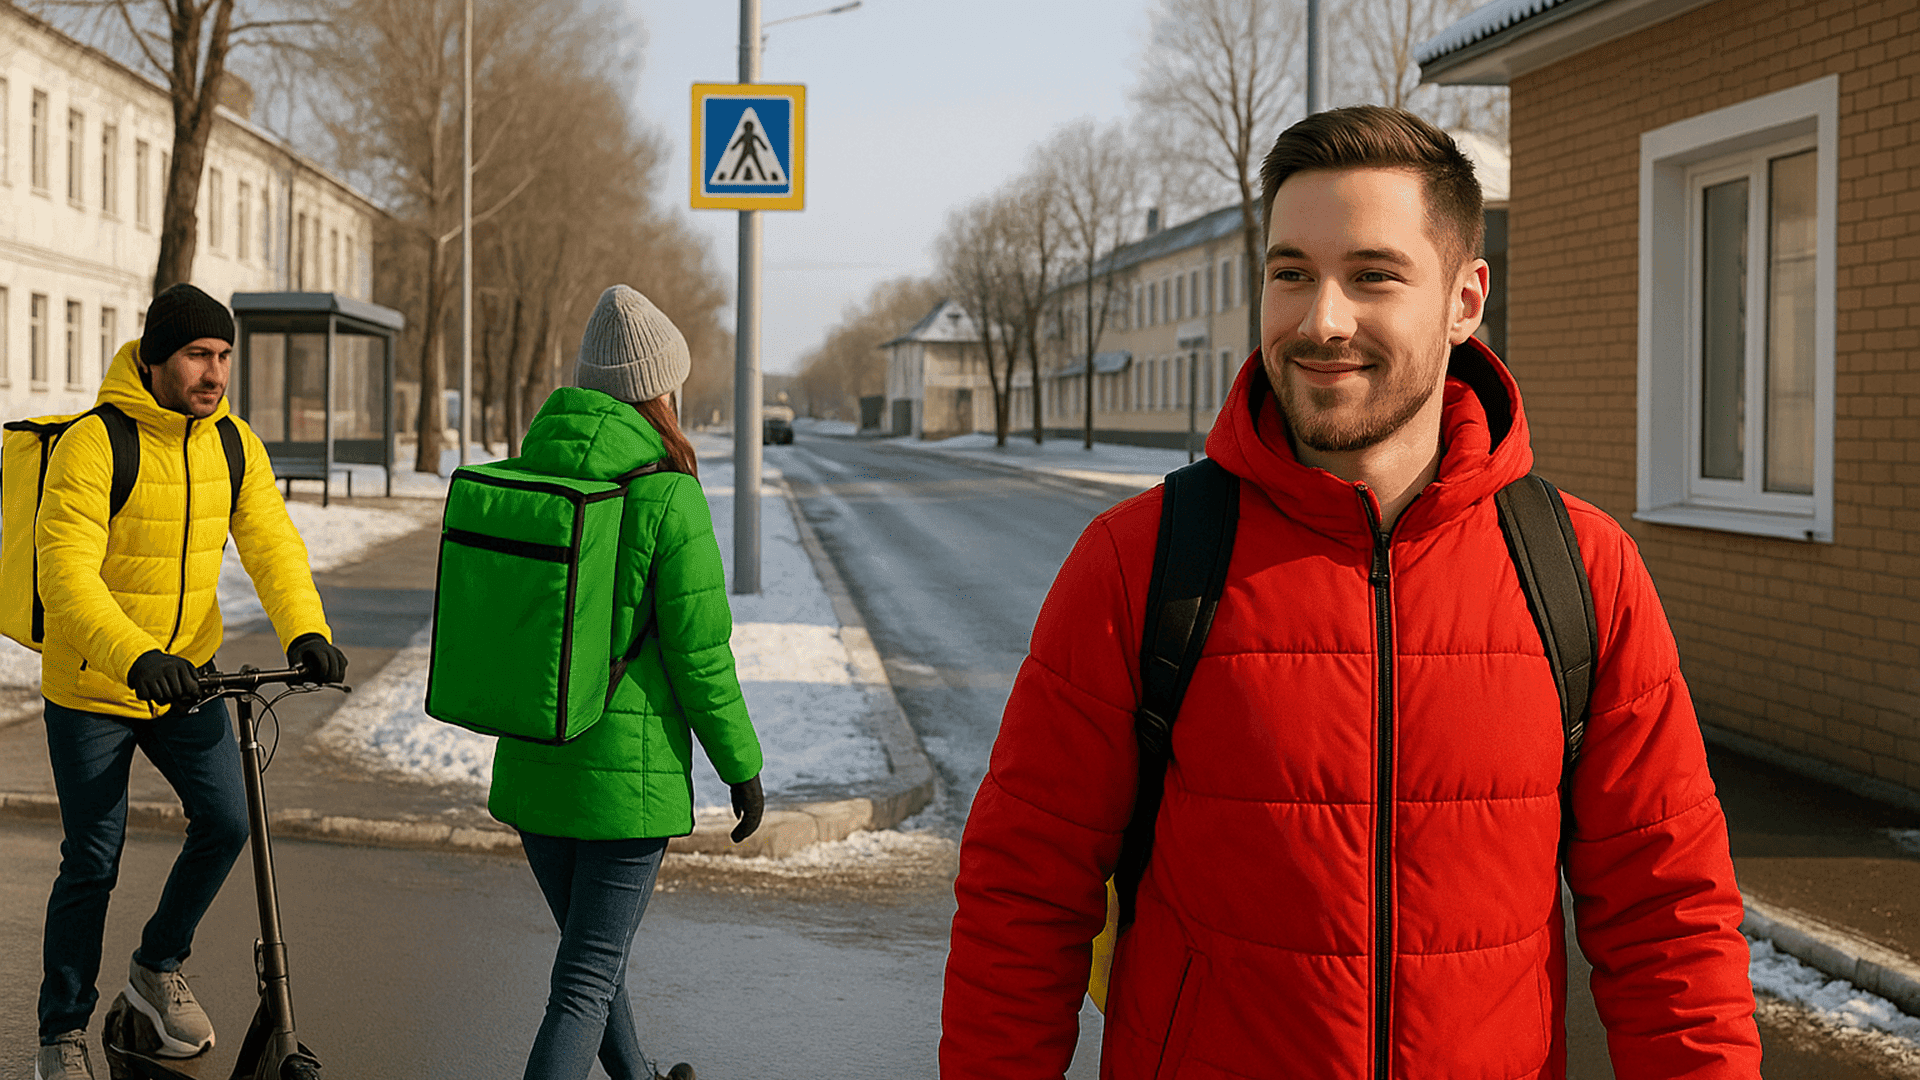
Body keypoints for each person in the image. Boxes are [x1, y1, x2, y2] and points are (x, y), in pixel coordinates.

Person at [941, 107, 1762, 1079]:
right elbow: (1021, 905)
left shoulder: (1580, 571)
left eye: (1372, 274)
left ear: (1465, 301)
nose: (1322, 317)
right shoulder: (1141, 562)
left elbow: (1669, 921)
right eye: (1292, 273)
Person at [34, 283, 348, 1080]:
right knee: (94, 858)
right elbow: (64, 577)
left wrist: (306, 630)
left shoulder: (232, 443)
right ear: (155, 358)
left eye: (223, 358)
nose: (214, 374)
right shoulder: (94, 444)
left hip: (188, 677)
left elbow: (271, 542)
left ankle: (153, 969)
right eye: (198, 356)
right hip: (96, 682)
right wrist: (135, 656)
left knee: (228, 820)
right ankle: (62, 1033)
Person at [486, 284, 765, 1080]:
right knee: (583, 982)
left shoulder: (530, 474)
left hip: (537, 767)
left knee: (591, 966)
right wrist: (740, 767)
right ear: (659, 388)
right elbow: (702, 658)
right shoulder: (670, 497)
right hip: (625, 785)